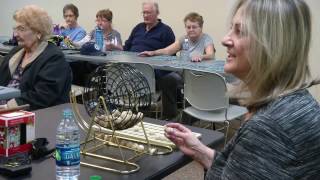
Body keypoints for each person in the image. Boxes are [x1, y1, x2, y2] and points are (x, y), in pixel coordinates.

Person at [164, 0, 320, 179]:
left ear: (271, 43)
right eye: (231, 29)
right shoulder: (297, 102)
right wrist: (199, 150)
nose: (224, 40)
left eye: (240, 31)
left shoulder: (267, 128)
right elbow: (239, 168)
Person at [0, 5, 72, 110]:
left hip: (29, 115)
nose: (15, 34)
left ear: (38, 32)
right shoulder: (15, 52)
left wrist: (7, 107)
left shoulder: (54, 58)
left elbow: (42, 96)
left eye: (21, 29)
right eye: (15, 29)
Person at [139, 12, 215, 62]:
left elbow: (210, 55)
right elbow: (167, 51)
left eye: (194, 27)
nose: (191, 30)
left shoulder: (206, 38)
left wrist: (200, 57)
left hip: (202, 74)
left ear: (201, 27)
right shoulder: (184, 39)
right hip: (186, 73)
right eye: (188, 27)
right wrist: (153, 52)